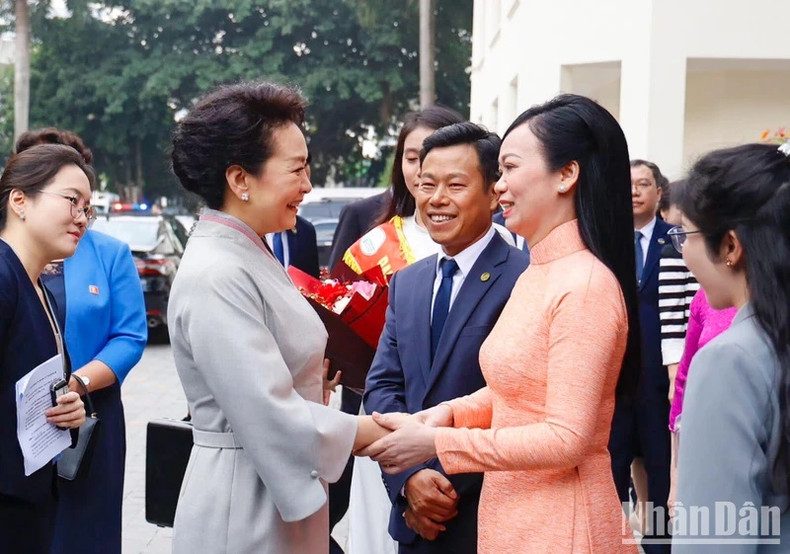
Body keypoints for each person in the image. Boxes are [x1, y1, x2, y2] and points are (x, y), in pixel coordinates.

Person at [360, 93, 641, 553]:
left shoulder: (584, 284)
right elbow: (520, 388)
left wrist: (439, 441)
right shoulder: (542, 270)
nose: (501, 187)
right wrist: (451, 413)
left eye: (509, 168)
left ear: (566, 174)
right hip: (515, 518)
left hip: (559, 525)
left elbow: (567, 438)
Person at [168, 81, 387, 554]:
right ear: (240, 180)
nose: (307, 185)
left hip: (271, 480)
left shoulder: (247, 251)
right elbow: (267, 411)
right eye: (297, 169)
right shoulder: (218, 272)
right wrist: (373, 432)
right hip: (242, 502)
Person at [363, 122, 529, 553]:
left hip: (489, 514)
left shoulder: (525, 278)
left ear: (493, 192)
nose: (436, 199)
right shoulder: (407, 282)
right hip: (416, 518)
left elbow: (519, 401)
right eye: (426, 184)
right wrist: (409, 479)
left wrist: (442, 485)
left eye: (455, 185)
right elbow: (383, 387)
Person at [14, 128, 148, 554]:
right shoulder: (9, 261)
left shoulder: (109, 252)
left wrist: (76, 385)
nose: (77, 213)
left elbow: (130, 336)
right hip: (18, 424)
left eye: (80, 201)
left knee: (85, 533)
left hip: (88, 417)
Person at [671, 142, 790, 552]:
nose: (683, 252)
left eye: (685, 234)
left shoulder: (731, 360)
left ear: (730, 247)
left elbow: (713, 538)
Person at [0, 144, 90, 553]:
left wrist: (68, 409)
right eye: (72, 200)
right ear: (20, 201)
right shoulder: (4, 277)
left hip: (29, 497)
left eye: (87, 208)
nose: (81, 217)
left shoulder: (39, 287)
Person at [609, 159, 675, 552]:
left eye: (644, 184)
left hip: (658, 379)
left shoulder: (677, 240)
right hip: (615, 378)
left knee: (659, 467)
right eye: (628, 183)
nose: (634, 191)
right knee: (611, 468)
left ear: (659, 192)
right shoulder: (606, 241)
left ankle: (659, 546)